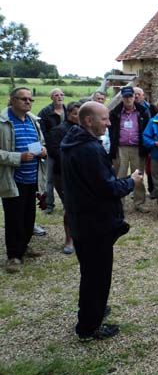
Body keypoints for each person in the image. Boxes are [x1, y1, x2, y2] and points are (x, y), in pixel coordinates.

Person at [61, 101, 143, 340]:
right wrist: (132, 181)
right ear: (89, 121)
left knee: (91, 273)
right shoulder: (87, 149)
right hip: (94, 224)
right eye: (105, 119)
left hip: (83, 220)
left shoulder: (75, 142)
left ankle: (92, 310)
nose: (109, 123)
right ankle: (89, 326)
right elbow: (107, 188)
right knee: (97, 275)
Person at [1, 87, 47, 273]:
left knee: (29, 216)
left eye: (30, 99)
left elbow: (41, 143)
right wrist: (18, 157)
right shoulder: (3, 122)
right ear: (12, 100)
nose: (28, 102)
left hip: (32, 178)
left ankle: (24, 246)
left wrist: (43, 151)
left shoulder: (33, 121)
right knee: (14, 218)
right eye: (23, 99)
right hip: (13, 179)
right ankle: (13, 256)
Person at [46, 101, 82, 254]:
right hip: (63, 174)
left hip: (82, 174)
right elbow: (55, 152)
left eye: (80, 113)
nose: (78, 116)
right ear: (68, 114)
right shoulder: (58, 131)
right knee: (70, 206)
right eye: (75, 113)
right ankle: (69, 239)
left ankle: (81, 235)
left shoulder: (84, 129)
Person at [108, 86, 151, 213]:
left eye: (130, 96)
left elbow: (147, 129)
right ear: (122, 97)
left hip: (138, 148)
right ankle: (119, 204)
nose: (128, 99)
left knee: (138, 175)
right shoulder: (115, 112)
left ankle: (139, 203)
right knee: (120, 175)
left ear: (134, 97)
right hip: (120, 147)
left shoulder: (143, 111)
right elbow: (111, 130)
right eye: (126, 97)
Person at [38, 87, 65, 214]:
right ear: (51, 98)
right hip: (50, 150)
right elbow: (41, 132)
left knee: (66, 177)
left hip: (65, 150)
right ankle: (49, 205)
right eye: (56, 95)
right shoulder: (44, 112)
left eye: (61, 94)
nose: (59, 97)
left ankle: (67, 203)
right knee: (49, 179)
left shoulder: (68, 110)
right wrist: (45, 146)